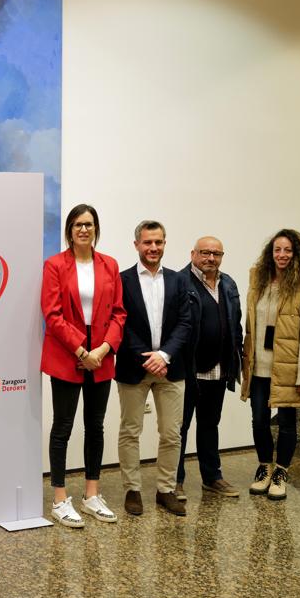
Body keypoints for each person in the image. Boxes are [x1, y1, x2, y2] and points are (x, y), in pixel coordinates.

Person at [40, 203, 127, 527]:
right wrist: (81, 351)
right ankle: (59, 498)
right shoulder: (54, 265)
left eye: (89, 224)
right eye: (78, 224)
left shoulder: (109, 265)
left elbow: (119, 313)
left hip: (101, 355)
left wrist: (102, 349)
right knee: (62, 426)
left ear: (96, 229)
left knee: (95, 425)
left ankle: (92, 495)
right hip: (68, 354)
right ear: (69, 230)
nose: (84, 229)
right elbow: (52, 314)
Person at [115, 220, 192, 517]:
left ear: (164, 244)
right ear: (136, 244)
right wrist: (147, 357)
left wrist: (164, 355)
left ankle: (166, 490)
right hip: (134, 368)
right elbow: (120, 323)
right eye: (147, 242)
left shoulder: (178, 280)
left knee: (172, 433)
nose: (153, 247)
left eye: (158, 242)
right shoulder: (122, 280)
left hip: (171, 368)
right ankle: (132, 490)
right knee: (130, 430)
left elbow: (185, 322)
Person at [240, 229, 300, 501]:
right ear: (270, 253)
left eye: (288, 250)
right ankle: (264, 467)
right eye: (277, 250)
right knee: (259, 421)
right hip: (259, 368)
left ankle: (281, 472)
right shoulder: (259, 282)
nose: (282, 255)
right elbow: (250, 325)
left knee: (287, 423)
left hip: (288, 368)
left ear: (297, 254)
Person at [175, 236, 243, 501]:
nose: (211, 258)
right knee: (178, 428)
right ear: (193, 254)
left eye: (216, 254)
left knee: (209, 424)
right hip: (187, 370)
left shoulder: (228, 283)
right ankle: (174, 481)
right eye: (205, 252)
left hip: (219, 369)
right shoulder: (179, 282)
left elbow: (235, 324)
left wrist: (237, 359)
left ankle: (212, 477)